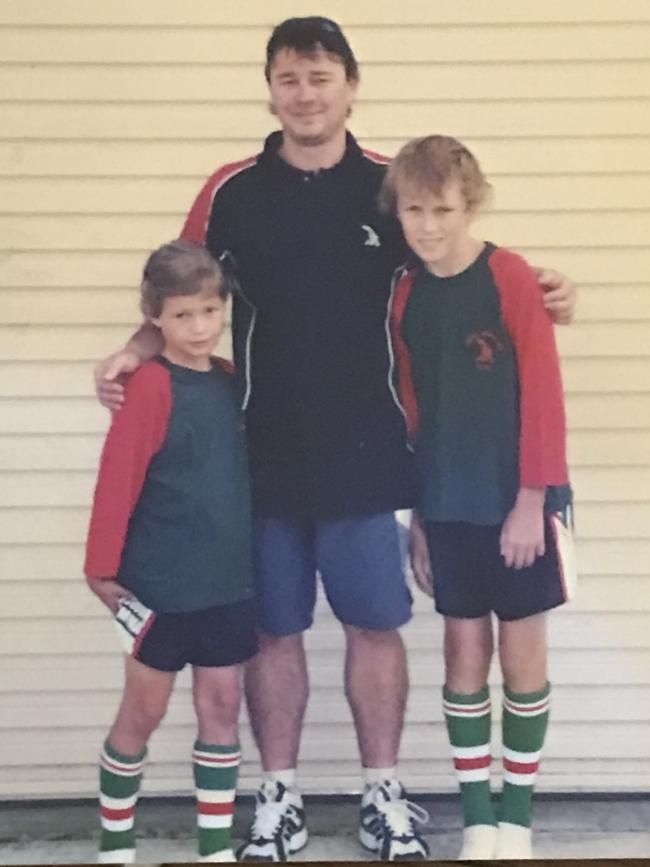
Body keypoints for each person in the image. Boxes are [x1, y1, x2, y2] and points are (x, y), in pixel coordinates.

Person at [93, 17, 577, 862]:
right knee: (274, 631)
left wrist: (544, 285)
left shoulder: (393, 186)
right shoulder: (232, 189)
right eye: (288, 78)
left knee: (372, 626)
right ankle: (276, 794)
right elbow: (181, 289)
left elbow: (458, 258)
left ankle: (382, 790)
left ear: (351, 84)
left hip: (372, 455)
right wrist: (133, 354)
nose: (305, 94)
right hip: (263, 452)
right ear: (270, 88)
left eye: (320, 76)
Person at [384, 135, 577, 860]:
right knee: (463, 652)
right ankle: (477, 819)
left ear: (470, 205)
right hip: (446, 503)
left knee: (522, 655)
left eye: (442, 209)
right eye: (413, 209)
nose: (428, 224)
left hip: (518, 498)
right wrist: (418, 520)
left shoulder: (512, 277)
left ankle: (517, 819)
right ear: (398, 210)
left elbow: (545, 396)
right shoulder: (405, 291)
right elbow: (410, 407)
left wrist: (532, 498)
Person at [85, 240, 258, 863]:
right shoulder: (150, 386)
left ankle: (214, 849)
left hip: (229, 583)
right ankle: (116, 845)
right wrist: (101, 569)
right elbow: (119, 475)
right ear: (154, 316)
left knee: (221, 707)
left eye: (210, 312)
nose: (199, 328)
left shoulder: (233, 382)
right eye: (183, 315)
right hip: (159, 585)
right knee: (144, 710)